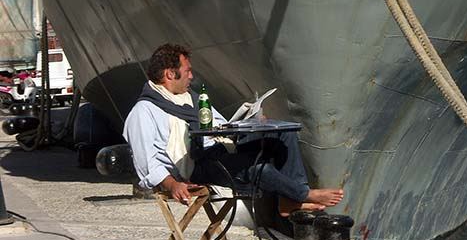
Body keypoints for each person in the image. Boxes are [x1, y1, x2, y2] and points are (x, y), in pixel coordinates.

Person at [123, 43, 344, 216]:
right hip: (197, 165)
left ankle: (290, 200)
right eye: (187, 71)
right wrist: (171, 184)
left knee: (283, 133)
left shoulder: (189, 98)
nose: (191, 76)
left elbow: (222, 125)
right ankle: (304, 194)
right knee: (259, 168)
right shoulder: (144, 111)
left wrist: (253, 122)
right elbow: (147, 162)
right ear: (170, 74)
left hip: (220, 149)